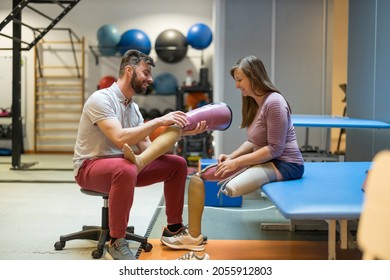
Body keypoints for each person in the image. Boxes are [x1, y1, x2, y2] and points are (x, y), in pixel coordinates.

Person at [126, 55, 304, 260]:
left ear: (254, 77)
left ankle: (192, 237)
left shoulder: (275, 103)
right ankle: (193, 237)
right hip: (267, 160)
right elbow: (254, 142)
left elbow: (274, 149)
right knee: (200, 176)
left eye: (240, 80)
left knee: (230, 186)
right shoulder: (258, 103)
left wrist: (236, 163)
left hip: (286, 165)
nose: (237, 86)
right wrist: (232, 156)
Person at [73, 49, 208, 260]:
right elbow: (119, 138)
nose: (150, 79)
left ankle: (173, 229)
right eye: (146, 72)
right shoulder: (101, 99)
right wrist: (158, 121)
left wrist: (181, 132)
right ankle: (116, 241)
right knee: (125, 168)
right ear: (129, 70)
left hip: (124, 165)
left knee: (177, 165)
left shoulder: (132, 108)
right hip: (90, 167)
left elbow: (148, 148)